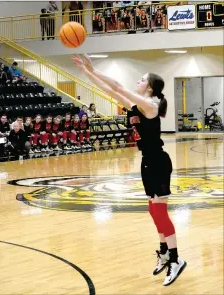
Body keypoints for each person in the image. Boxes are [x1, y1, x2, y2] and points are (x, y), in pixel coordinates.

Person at [72, 54, 187, 286]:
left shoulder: (152, 105)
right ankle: (164, 251)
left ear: (150, 87)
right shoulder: (137, 105)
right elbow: (112, 91)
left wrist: (93, 70)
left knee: (161, 212)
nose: (138, 82)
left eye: (142, 80)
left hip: (158, 162)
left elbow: (119, 86)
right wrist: (88, 73)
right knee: (153, 211)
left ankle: (176, 259)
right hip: (147, 162)